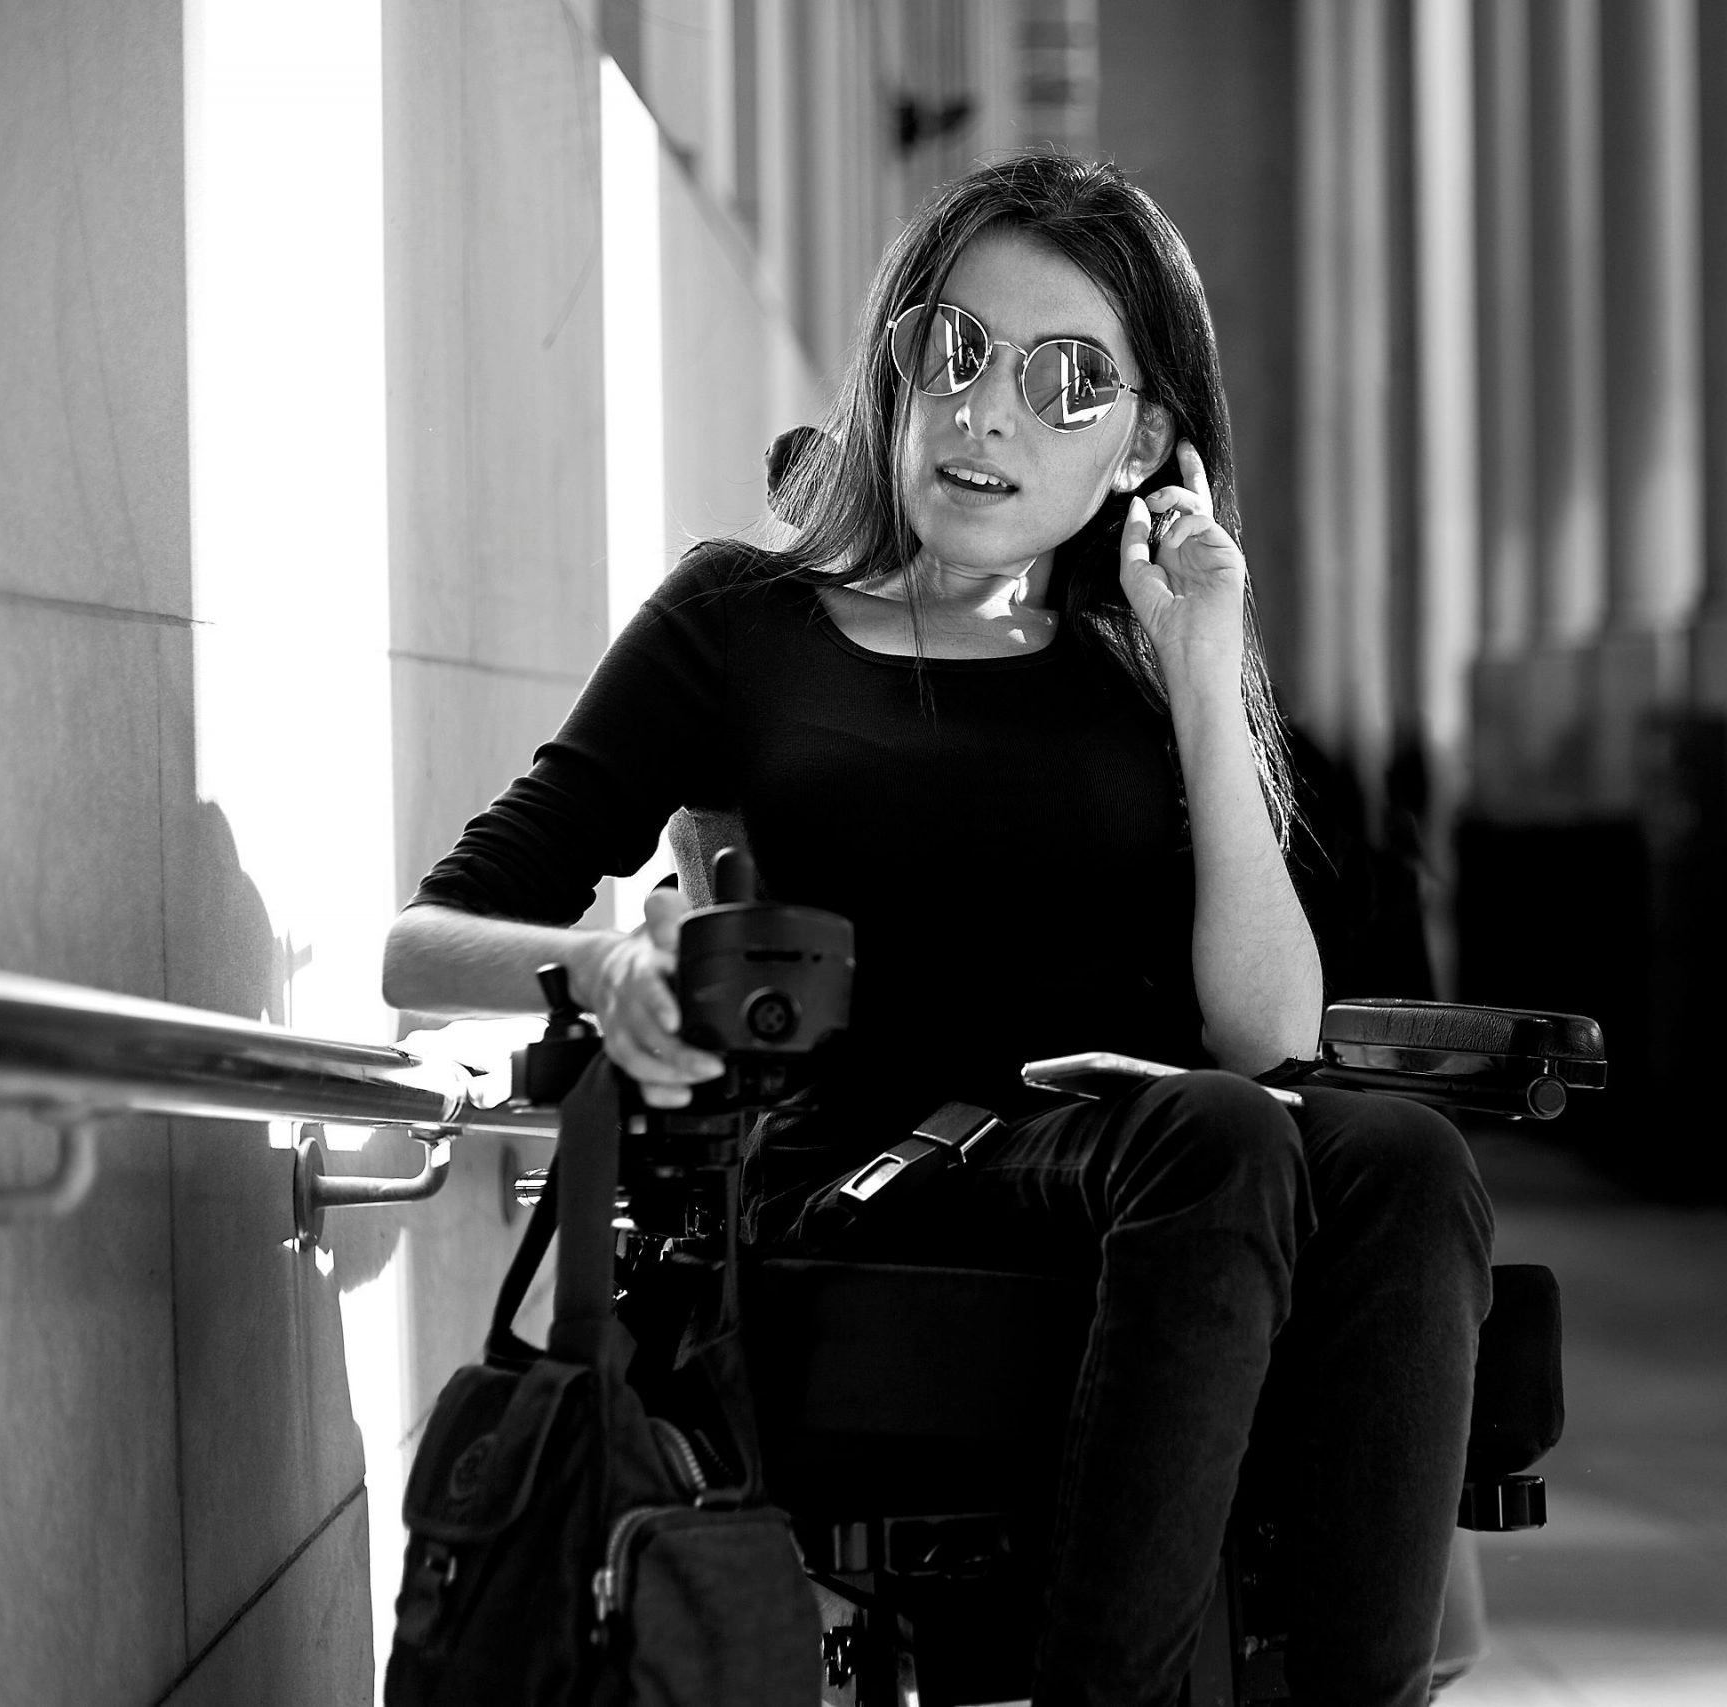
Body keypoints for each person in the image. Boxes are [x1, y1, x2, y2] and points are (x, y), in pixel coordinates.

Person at [382, 154, 1492, 1707]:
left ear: (1144, 449)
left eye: (1066, 381)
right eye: (955, 352)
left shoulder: (1134, 675)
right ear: (895, 367)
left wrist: (1204, 668)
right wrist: (603, 963)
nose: (988, 417)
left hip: (1132, 1169)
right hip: (867, 1181)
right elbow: (420, 942)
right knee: (1226, 1139)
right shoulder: (742, 624)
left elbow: (1274, 1030)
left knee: (1402, 1155)